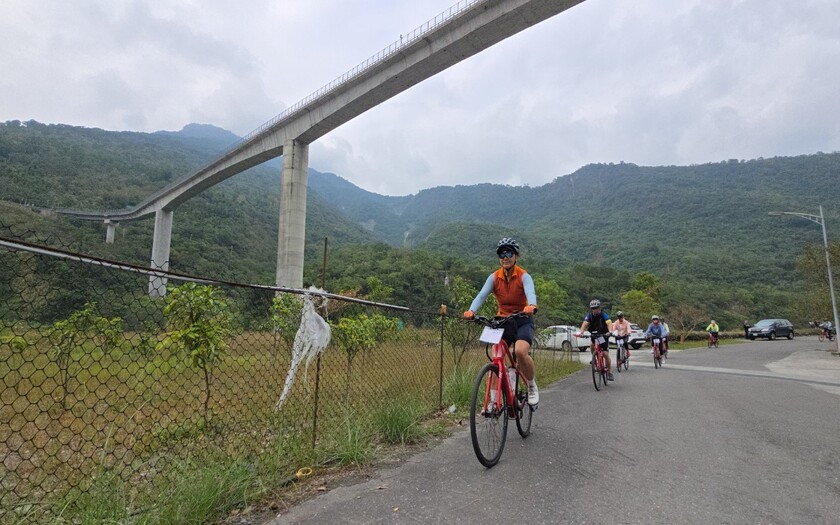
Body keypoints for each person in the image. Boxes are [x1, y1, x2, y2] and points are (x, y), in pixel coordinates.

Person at [463, 238, 539, 405]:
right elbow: (481, 295)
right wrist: (471, 311)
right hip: (503, 321)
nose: (505, 257)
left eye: (509, 253)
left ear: (516, 256)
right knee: (496, 358)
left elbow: (530, 292)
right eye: (502, 254)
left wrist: (532, 305)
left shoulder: (524, 276)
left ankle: (531, 385)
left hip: (522, 320)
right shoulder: (494, 277)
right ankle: (493, 402)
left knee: (520, 352)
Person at [578, 299, 614, 381]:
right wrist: (581, 332)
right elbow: (584, 324)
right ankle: (594, 358)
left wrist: (610, 331)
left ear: (599, 308)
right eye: (593, 308)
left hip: (603, 335)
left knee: (605, 354)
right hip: (594, 335)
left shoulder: (603, 315)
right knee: (591, 345)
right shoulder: (589, 316)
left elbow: (609, 323)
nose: (594, 310)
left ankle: (609, 372)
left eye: (596, 308)